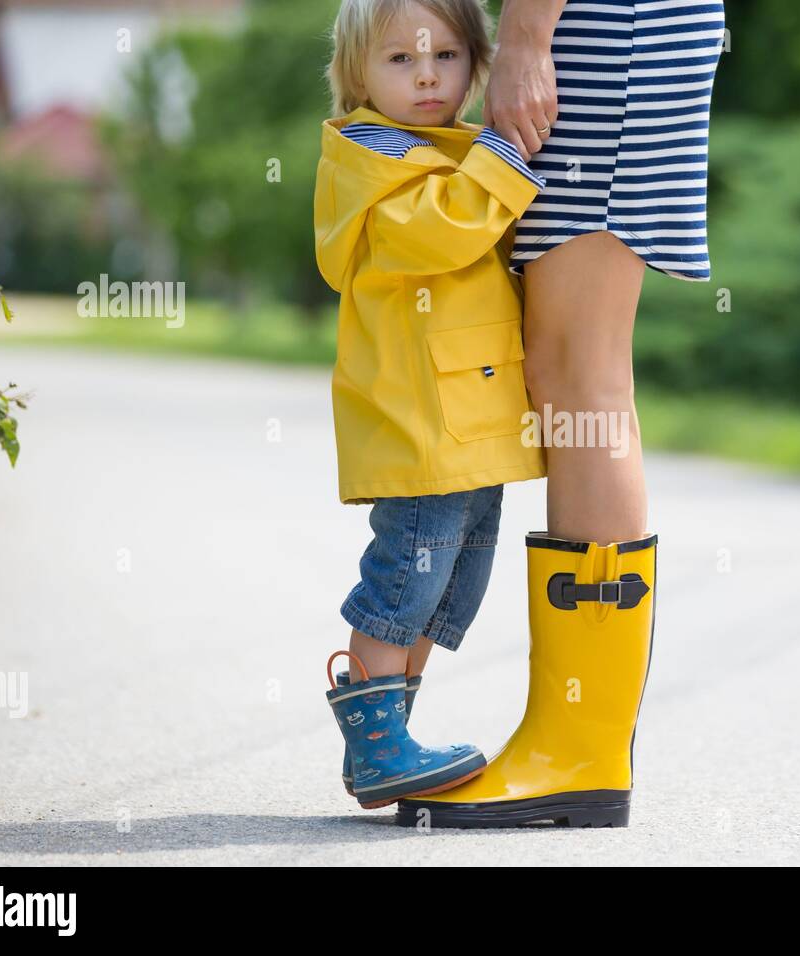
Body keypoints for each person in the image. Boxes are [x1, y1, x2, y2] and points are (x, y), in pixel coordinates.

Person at [397, 0, 725, 828]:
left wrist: (528, 36)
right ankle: (572, 742)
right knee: (564, 370)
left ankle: (577, 748)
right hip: (611, 32)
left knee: (583, 374)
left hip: (607, 33)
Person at [314, 0, 549, 809]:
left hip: (467, 422)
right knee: (407, 578)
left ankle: (388, 742)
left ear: (475, 62)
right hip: (421, 422)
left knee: (455, 577)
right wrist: (506, 154)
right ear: (357, 75)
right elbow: (441, 231)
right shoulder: (372, 154)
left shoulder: (448, 149)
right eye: (400, 61)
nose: (425, 76)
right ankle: (378, 745)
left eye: (446, 57)